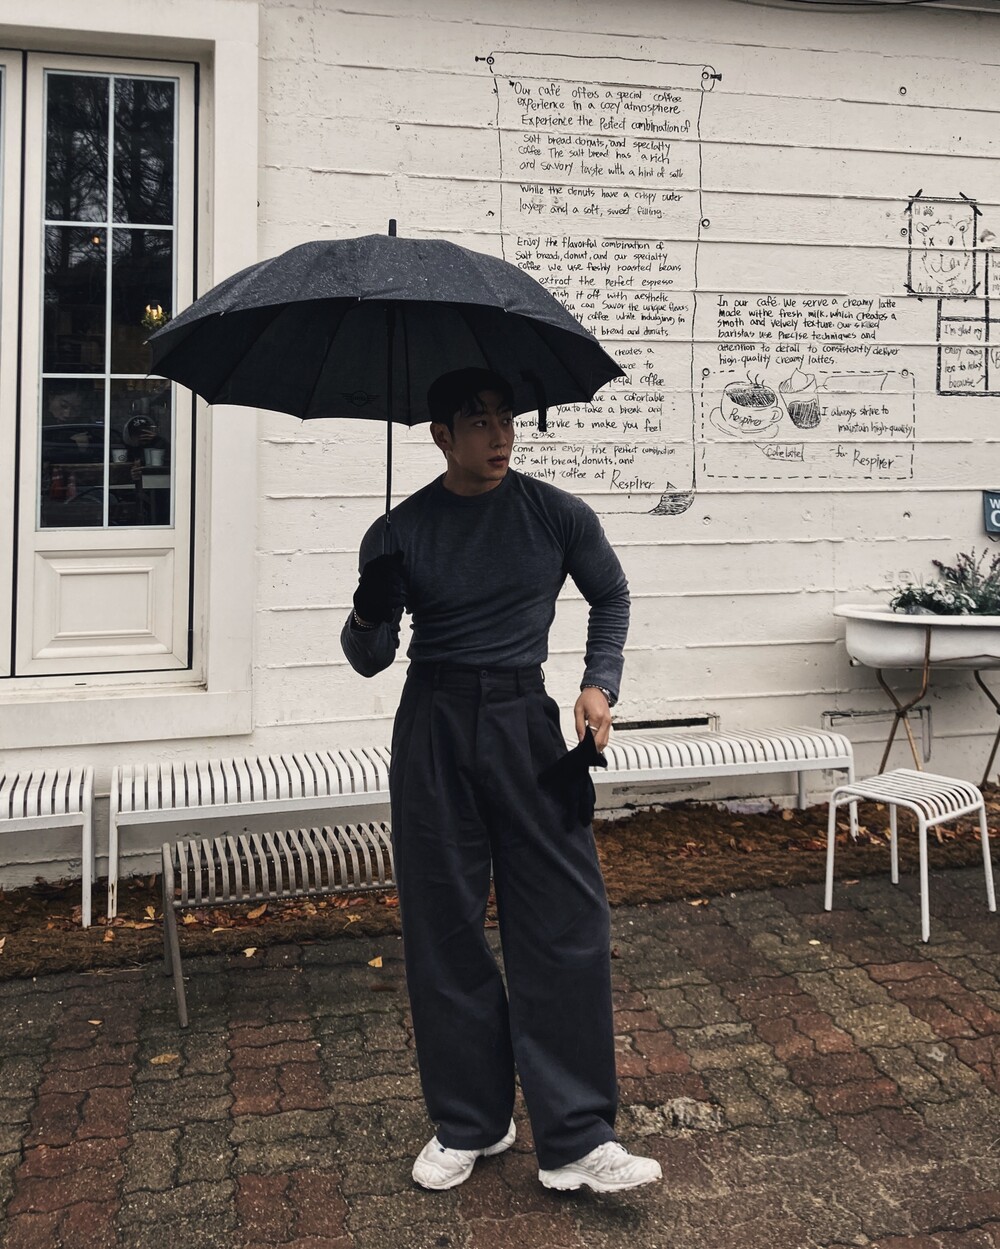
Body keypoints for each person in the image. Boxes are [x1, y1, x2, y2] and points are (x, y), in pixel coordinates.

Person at [341, 367, 662, 1194]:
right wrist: (371, 607)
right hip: (434, 721)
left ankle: (578, 1136)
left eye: (506, 417)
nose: (499, 434)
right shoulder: (397, 531)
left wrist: (600, 683)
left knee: (566, 918)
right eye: (478, 421)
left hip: (525, 719)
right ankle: (471, 1122)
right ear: (441, 436)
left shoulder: (556, 514)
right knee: (444, 923)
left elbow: (611, 594)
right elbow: (369, 658)